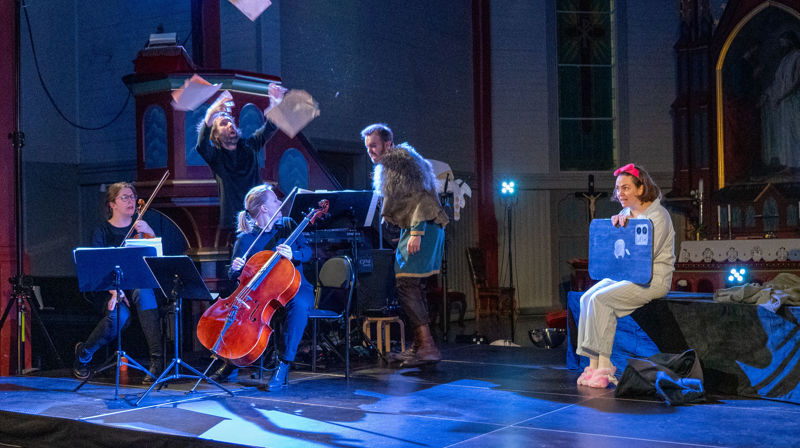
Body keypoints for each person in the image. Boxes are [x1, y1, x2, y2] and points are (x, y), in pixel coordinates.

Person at [575, 164, 675, 388]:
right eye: (618, 188)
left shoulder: (659, 216)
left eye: (626, 188)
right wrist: (615, 232)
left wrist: (626, 232)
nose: (620, 193)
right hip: (626, 275)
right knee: (586, 298)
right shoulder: (624, 214)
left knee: (601, 300)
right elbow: (617, 253)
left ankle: (605, 368)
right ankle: (592, 365)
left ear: (641, 188)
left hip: (652, 279)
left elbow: (644, 256)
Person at [208, 184, 314, 390]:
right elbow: (235, 276)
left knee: (299, 306)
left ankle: (283, 365)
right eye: (275, 200)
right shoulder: (245, 238)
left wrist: (294, 255)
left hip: (294, 287)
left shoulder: (288, 225)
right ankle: (232, 361)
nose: (279, 202)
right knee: (239, 311)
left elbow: (308, 252)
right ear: (264, 208)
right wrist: (235, 268)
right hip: (261, 293)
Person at [361, 123, 449, 367]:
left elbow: (421, 197)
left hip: (424, 226)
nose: (371, 151)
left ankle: (427, 346)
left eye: (374, 146)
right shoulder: (393, 164)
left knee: (407, 284)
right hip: (415, 228)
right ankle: (420, 346)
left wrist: (416, 232)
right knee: (412, 286)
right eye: (367, 147)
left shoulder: (402, 163)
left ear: (388, 144)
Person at [73, 182, 163, 383]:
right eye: (125, 197)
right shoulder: (102, 231)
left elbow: (155, 264)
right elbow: (97, 268)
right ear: (112, 204)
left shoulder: (142, 229)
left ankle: (157, 362)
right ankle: (84, 354)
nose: (131, 201)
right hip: (109, 289)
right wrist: (115, 291)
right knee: (119, 317)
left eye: (132, 196)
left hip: (137, 286)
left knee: (144, 293)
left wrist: (150, 232)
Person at [195, 84, 286, 233]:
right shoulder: (215, 156)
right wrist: (211, 112)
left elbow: (270, 127)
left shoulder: (249, 146)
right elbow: (201, 145)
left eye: (231, 122)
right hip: (235, 224)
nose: (230, 125)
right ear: (215, 135)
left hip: (260, 219)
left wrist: (275, 104)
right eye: (223, 124)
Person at [760, 31, 800, 169]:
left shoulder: (798, 56)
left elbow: (796, 81)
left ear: (790, 41)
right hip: (784, 102)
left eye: (783, 42)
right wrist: (767, 94)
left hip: (794, 100)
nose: (781, 45)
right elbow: (777, 81)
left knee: (796, 130)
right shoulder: (784, 60)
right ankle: (790, 165)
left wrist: (782, 96)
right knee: (787, 133)